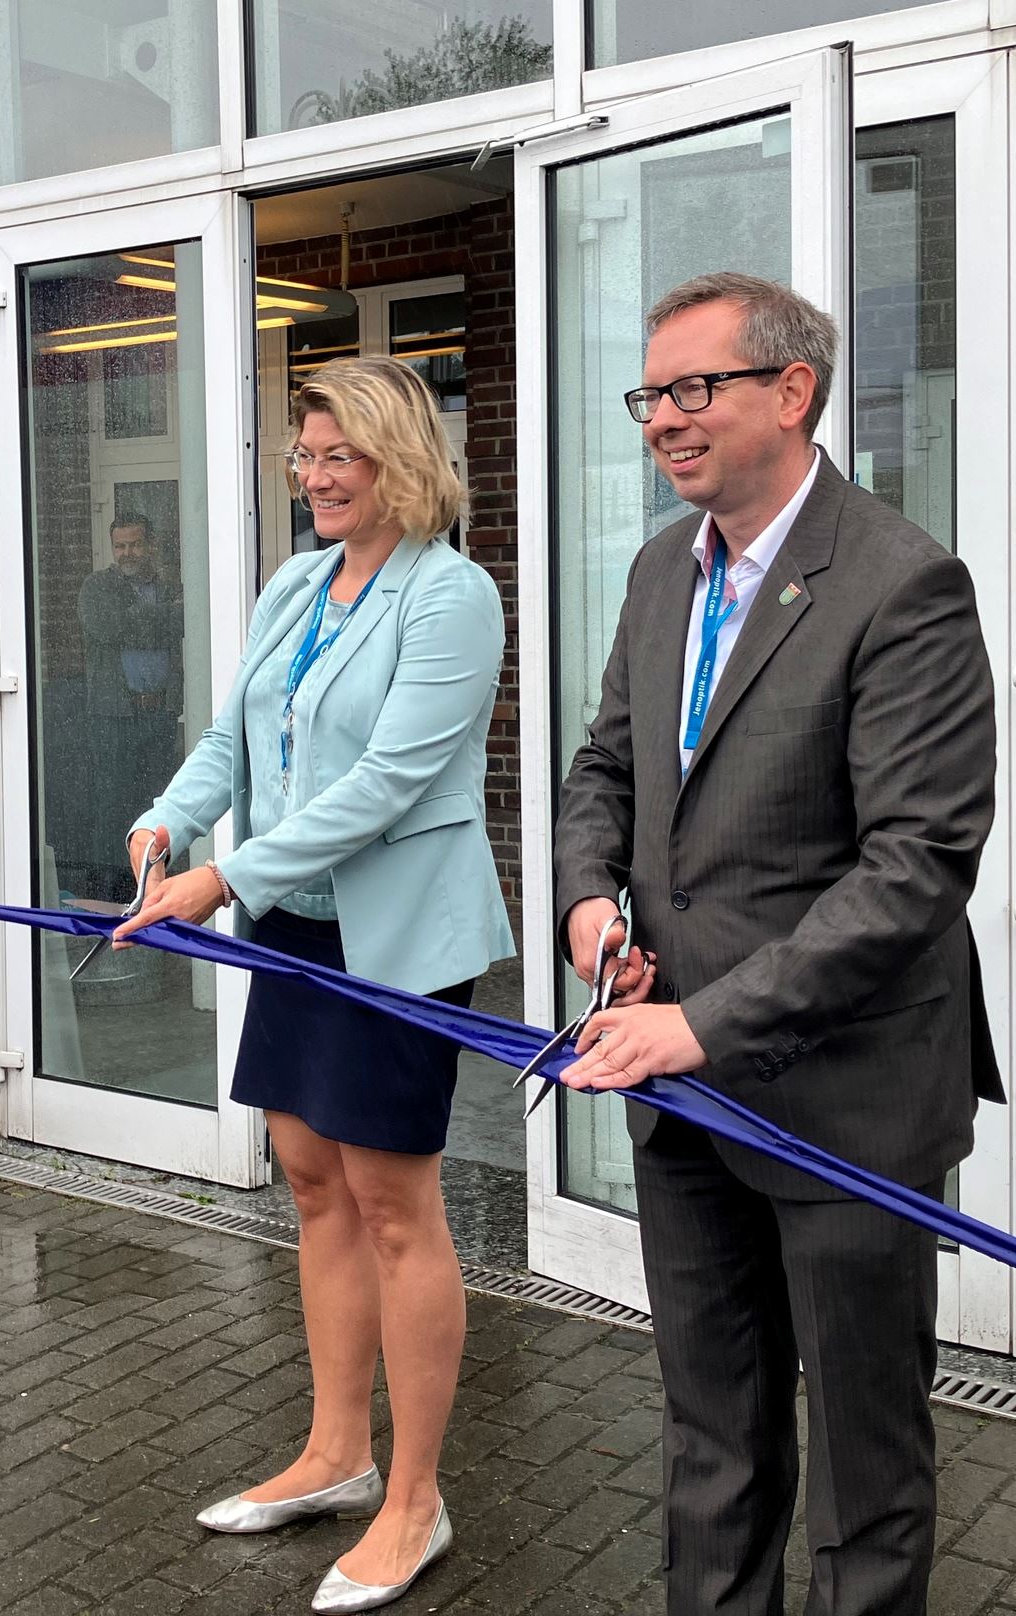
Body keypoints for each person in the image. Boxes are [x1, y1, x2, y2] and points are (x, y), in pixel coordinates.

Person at [552, 272, 1002, 1615]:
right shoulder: (659, 571)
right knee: (712, 1439)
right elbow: (604, 769)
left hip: (842, 1096)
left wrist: (697, 1022)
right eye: (649, 394)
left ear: (791, 390)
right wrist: (587, 906)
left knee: (863, 1468)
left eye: (693, 388)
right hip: (677, 1094)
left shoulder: (901, 583)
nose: (660, 419)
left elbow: (912, 869)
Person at [115, 356, 512, 1614]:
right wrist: (169, 820)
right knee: (310, 1179)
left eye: (342, 455)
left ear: (402, 458)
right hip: (292, 921)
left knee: (394, 1204)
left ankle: (415, 1497)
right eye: (305, 456)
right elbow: (232, 736)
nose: (317, 478)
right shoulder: (294, 583)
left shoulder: (451, 596)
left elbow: (388, 782)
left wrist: (219, 877)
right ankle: (337, 1452)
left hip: (395, 938)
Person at [78, 513, 184, 901]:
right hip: (114, 716)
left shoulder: (169, 585)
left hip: (160, 713)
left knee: (158, 805)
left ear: (150, 545)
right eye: (120, 546)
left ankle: (152, 891)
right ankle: (108, 894)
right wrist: (165, 618)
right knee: (112, 806)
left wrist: (151, 620)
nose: (127, 553)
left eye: (135, 544)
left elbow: (185, 624)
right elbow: (108, 628)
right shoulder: (97, 586)